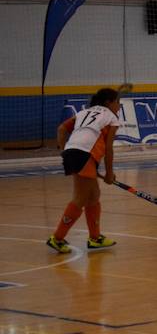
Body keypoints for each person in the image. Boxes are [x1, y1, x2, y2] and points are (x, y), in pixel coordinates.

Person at [46, 88, 121, 253]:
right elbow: (108, 148)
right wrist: (109, 172)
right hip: (84, 154)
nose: (119, 106)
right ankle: (57, 238)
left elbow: (61, 129)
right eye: (118, 102)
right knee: (80, 198)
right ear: (109, 102)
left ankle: (95, 238)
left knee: (93, 195)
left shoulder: (84, 112)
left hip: (73, 151)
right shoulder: (111, 117)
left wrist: (64, 150)